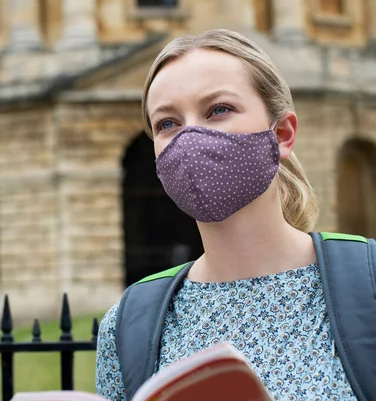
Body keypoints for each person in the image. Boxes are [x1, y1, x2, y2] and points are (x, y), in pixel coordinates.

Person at [95, 29, 357, 400]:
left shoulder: (368, 285)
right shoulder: (125, 326)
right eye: (168, 123)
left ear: (282, 133)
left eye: (218, 110)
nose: (190, 138)